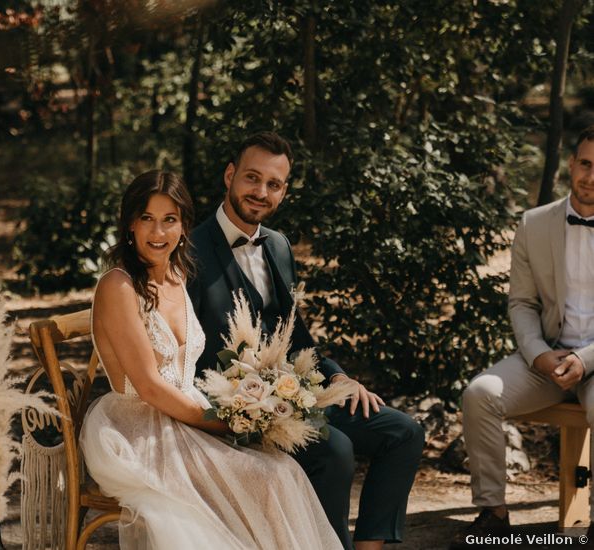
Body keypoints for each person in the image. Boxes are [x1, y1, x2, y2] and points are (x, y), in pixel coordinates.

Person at [79, 170, 342, 549]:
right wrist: (223, 424)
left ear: (184, 225)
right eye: (147, 219)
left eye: (169, 220)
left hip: (188, 415)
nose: (158, 232)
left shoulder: (176, 273)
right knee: (266, 480)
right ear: (130, 224)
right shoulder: (119, 286)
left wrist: (246, 405)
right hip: (142, 428)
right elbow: (151, 386)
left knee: (284, 472)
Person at [188, 131, 425, 550]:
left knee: (403, 432)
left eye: (273, 184)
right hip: (230, 411)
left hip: (292, 396)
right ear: (230, 175)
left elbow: (294, 337)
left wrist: (338, 378)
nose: (261, 192)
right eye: (252, 178)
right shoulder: (189, 250)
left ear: (284, 191)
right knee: (335, 450)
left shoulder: (277, 245)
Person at [454, 125, 594, 545]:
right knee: (481, 393)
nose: (592, 176)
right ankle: (493, 512)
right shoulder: (535, 224)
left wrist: (585, 360)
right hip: (547, 357)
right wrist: (538, 355)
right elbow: (522, 303)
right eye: (586, 164)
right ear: (571, 165)